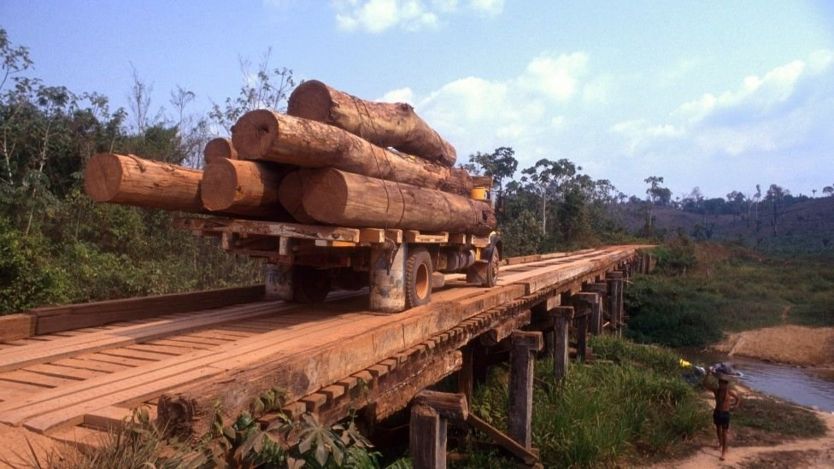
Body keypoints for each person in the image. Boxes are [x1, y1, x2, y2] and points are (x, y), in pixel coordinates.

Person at [711, 368, 741, 461]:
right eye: (720, 383)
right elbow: (705, 383)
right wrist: (708, 373)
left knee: (724, 433)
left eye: (723, 384)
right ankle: (720, 444)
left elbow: (737, 398)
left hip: (725, 413)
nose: (721, 385)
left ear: (726, 384)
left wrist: (735, 405)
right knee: (718, 429)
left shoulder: (728, 391)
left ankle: (723, 452)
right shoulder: (717, 391)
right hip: (717, 412)